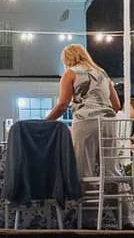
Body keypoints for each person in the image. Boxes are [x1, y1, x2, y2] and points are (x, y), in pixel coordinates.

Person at [44, 44, 120, 186]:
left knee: (84, 170)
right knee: (111, 170)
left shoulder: (70, 73)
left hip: (85, 122)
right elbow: (116, 105)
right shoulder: (102, 73)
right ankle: (120, 206)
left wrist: (45, 121)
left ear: (67, 59)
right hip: (109, 123)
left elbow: (62, 105)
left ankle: (89, 207)